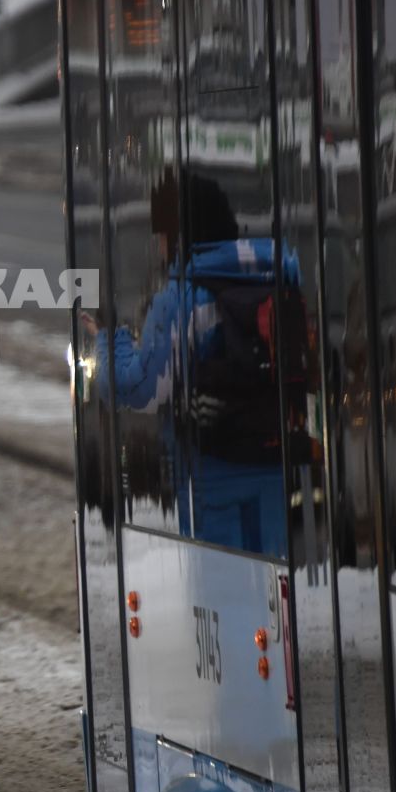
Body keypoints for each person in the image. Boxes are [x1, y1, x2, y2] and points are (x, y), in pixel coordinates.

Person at [84, 171, 298, 558]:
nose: (160, 246)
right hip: (276, 467)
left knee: (225, 590)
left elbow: (137, 391)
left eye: (163, 235)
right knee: (273, 583)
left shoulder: (182, 297)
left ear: (181, 234)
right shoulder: (282, 271)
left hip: (213, 476)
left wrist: (107, 338)